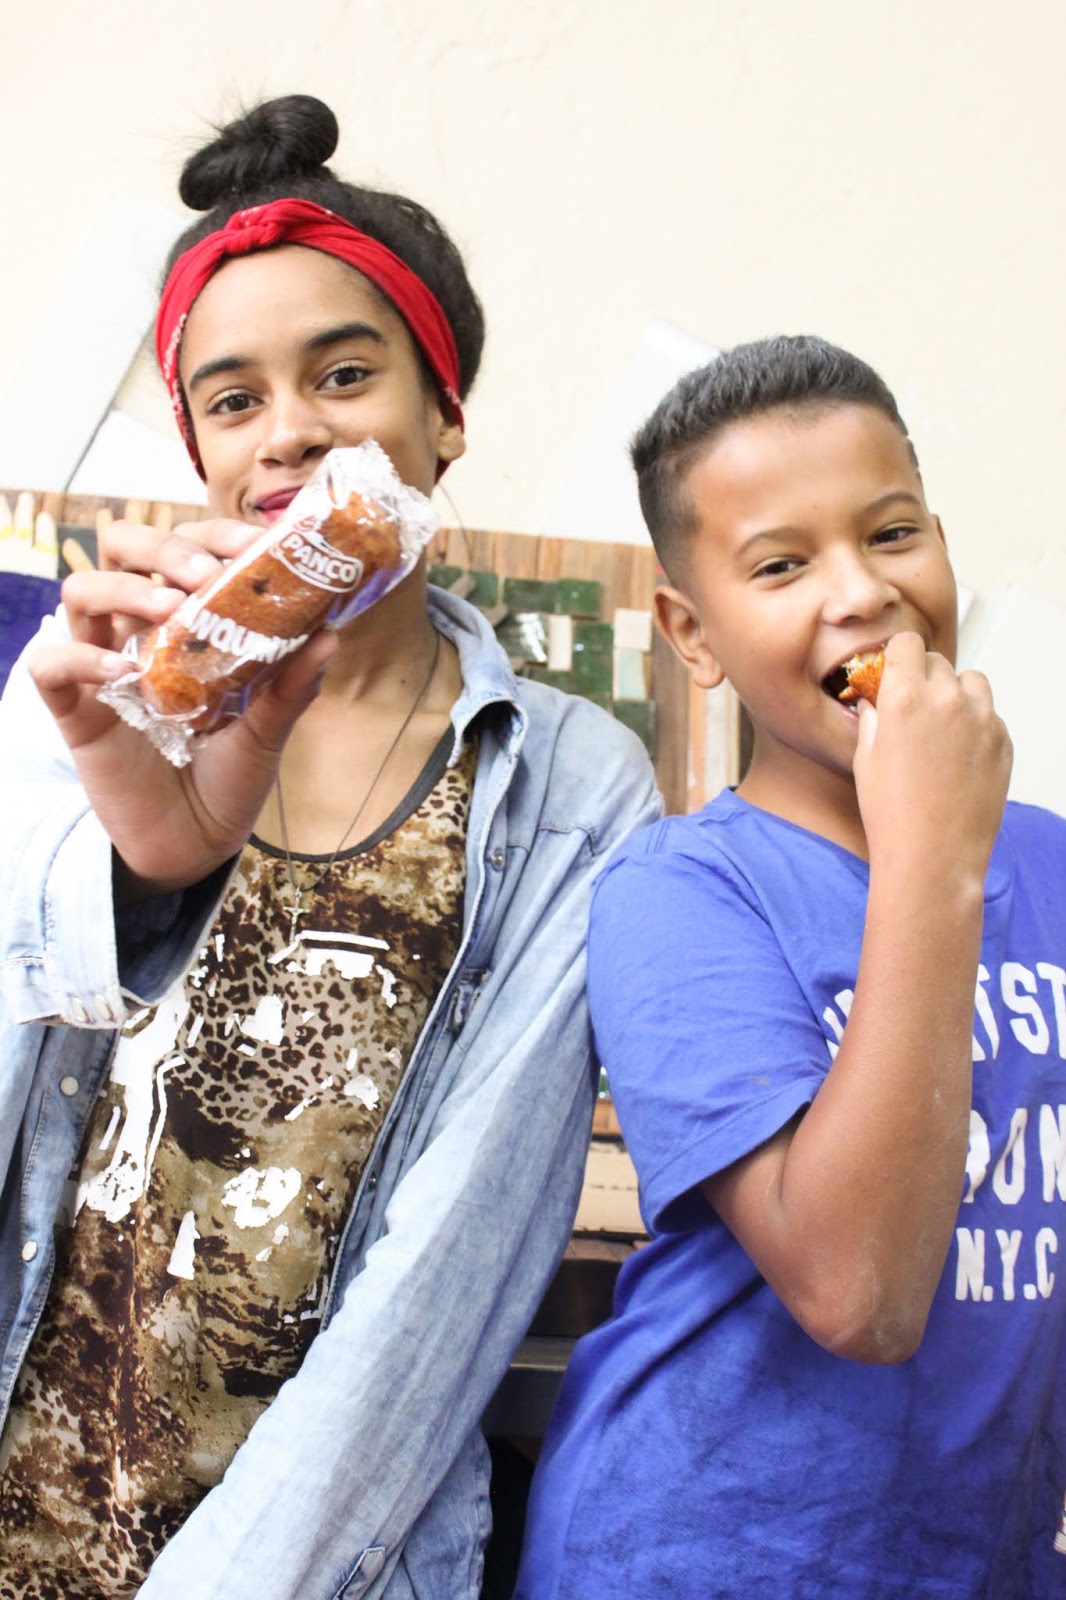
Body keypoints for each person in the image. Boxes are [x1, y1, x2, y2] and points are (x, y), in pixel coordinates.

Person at [0, 94, 659, 1599]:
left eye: (345, 375)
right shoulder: (88, 710)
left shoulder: (571, 785)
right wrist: (137, 859)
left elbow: (450, 1275)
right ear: (202, 454)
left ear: (445, 416)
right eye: (232, 401)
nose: (288, 431)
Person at [514, 334, 1066, 1599]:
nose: (861, 591)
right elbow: (857, 1294)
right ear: (691, 631)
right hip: (704, 1556)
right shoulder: (679, 893)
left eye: (892, 533)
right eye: (780, 564)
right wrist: (928, 858)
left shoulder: (1049, 862)